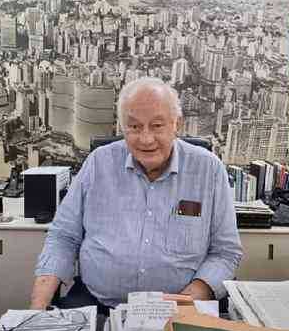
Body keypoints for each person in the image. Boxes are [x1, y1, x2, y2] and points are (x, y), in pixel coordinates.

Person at [30, 77, 242, 311]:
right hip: (98, 302)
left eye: (157, 125)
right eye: (134, 127)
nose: (146, 139)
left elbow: (225, 252)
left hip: (182, 306)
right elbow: (63, 237)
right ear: (122, 127)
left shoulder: (208, 170)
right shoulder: (98, 163)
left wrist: (189, 299)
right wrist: (38, 309)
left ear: (177, 124)